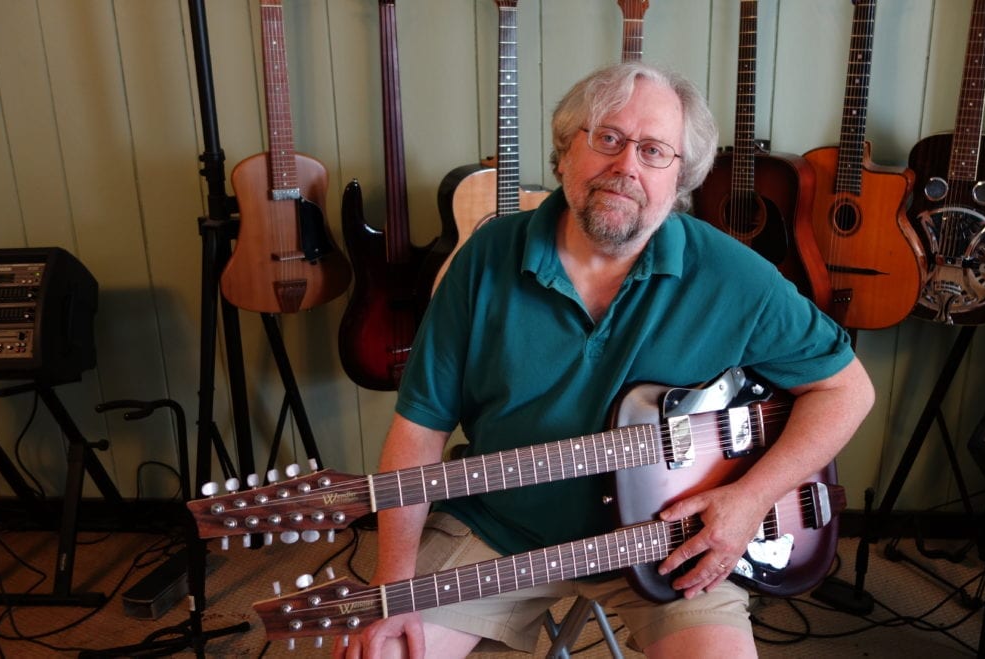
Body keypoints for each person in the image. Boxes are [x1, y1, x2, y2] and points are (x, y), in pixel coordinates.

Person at [339, 61, 874, 659]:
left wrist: (750, 500)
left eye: (654, 151)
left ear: (681, 178)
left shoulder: (734, 274)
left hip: (672, 542)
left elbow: (847, 390)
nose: (626, 167)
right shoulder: (485, 257)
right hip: (501, 528)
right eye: (608, 138)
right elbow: (419, 428)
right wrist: (393, 583)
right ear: (565, 151)